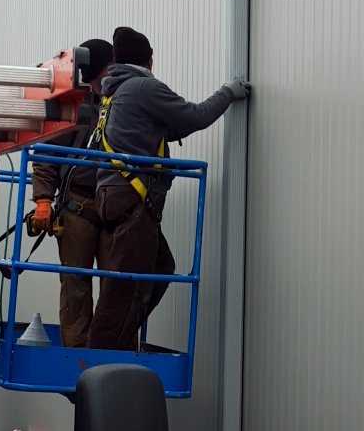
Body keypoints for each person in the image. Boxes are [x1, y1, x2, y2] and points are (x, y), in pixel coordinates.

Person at [87, 26, 250, 350]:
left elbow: (163, 127)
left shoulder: (114, 90)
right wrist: (229, 92)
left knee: (160, 268)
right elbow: (195, 116)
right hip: (132, 199)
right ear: (149, 59)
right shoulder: (143, 87)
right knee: (123, 288)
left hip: (114, 196)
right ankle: (96, 363)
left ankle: (115, 343)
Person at [29, 38, 113, 347]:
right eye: (108, 68)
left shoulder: (121, 105)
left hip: (113, 207)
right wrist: (42, 200)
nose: (111, 74)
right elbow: (47, 155)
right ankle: (77, 353)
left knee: (115, 284)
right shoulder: (74, 107)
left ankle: (105, 350)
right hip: (77, 205)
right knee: (76, 285)